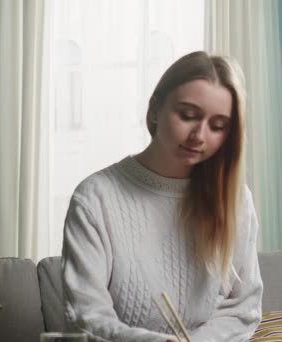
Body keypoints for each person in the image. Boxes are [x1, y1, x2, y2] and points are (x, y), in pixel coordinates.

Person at [61, 51, 263, 342]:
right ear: (155, 109)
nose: (199, 136)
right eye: (188, 116)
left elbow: (244, 308)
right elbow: (85, 315)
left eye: (217, 126)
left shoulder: (235, 198)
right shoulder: (95, 198)